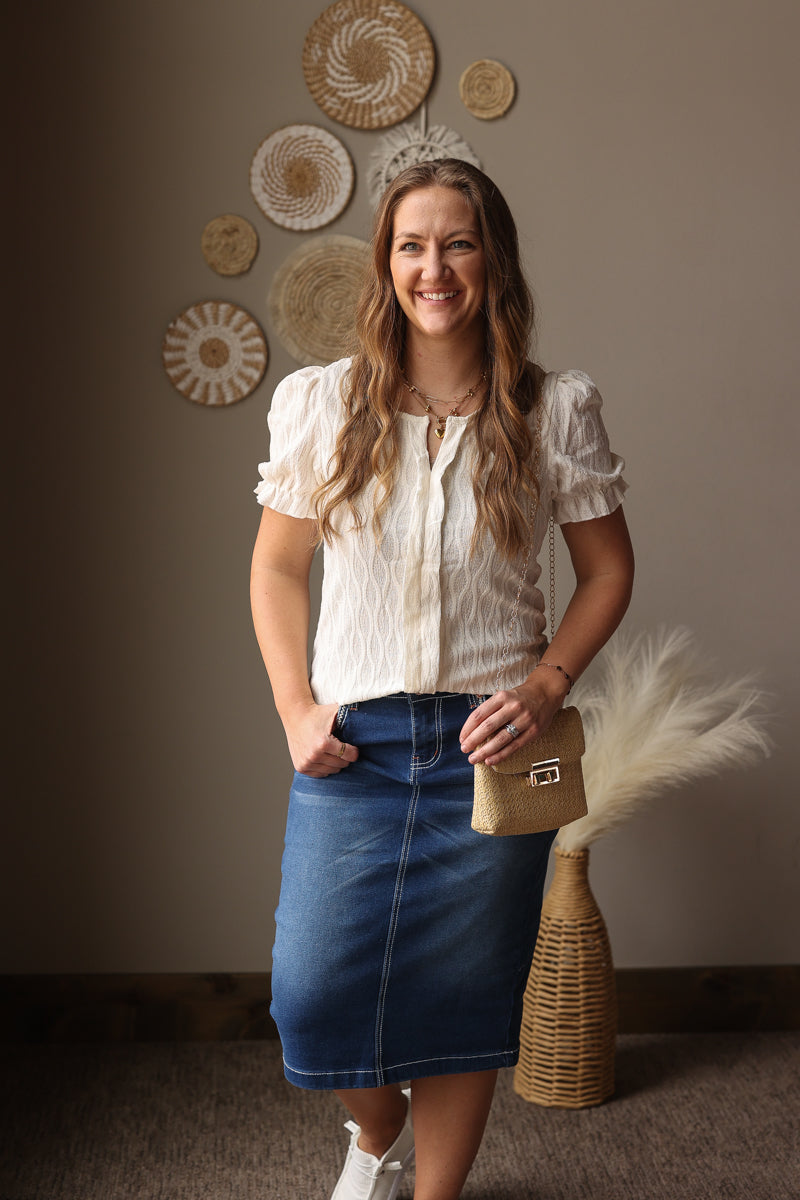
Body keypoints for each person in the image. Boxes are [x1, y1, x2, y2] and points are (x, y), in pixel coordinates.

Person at [250, 159, 634, 1200]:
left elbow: (606, 571)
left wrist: (546, 687)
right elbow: (277, 569)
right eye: (411, 244)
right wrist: (293, 708)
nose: (434, 266)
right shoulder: (323, 404)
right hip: (353, 747)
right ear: (385, 263)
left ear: (491, 259)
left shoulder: (554, 409)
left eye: (456, 242)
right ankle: (373, 1138)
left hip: (491, 751)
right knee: (311, 995)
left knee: (464, 998)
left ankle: (432, 1194)